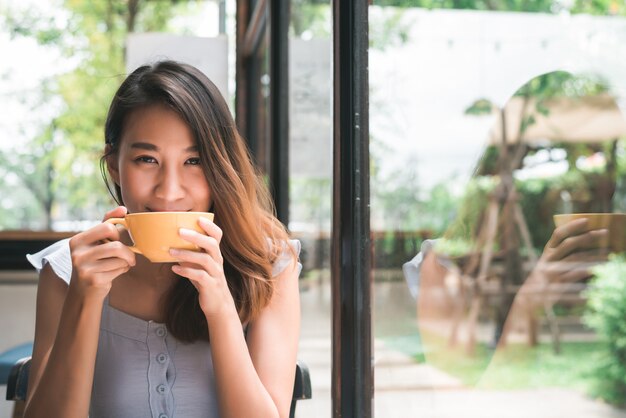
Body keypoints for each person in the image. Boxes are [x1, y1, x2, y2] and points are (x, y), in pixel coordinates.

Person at [23, 60, 302, 418]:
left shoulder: (268, 267)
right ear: (113, 166)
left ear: (221, 165)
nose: (170, 192)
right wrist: (85, 299)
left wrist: (219, 306)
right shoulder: (68, 269)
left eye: (194, 161)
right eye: (146, 159)